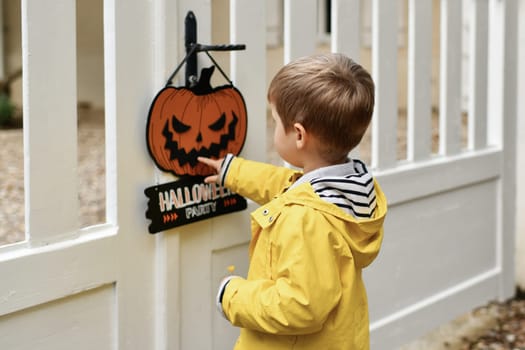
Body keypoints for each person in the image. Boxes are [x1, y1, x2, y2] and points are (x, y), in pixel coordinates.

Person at [198, 53, 387, 350]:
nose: (273, 128)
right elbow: (286, 187)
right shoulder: (347, 192)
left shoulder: (304, 219)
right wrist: (233, 172)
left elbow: (300, 306)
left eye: (275, 121)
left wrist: (231, 295)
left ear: (298, 135)